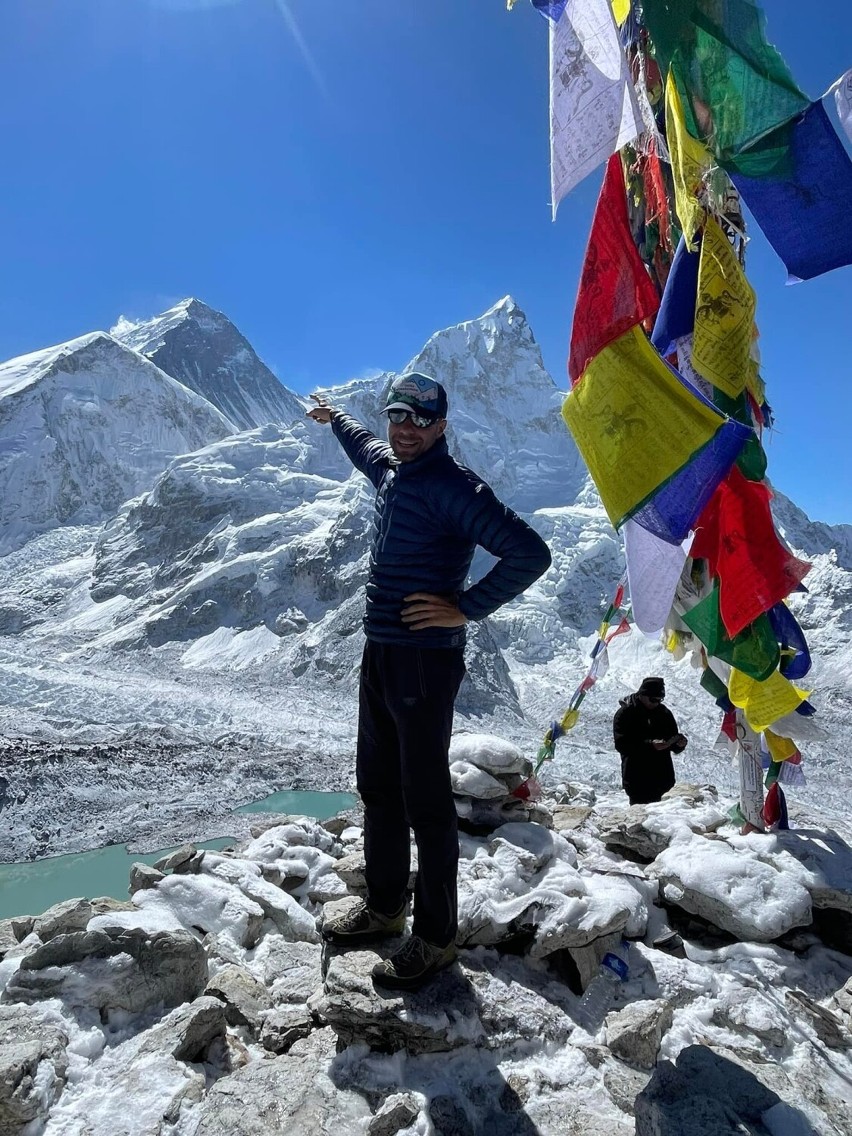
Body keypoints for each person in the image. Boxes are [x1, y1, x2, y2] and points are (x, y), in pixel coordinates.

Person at [307, 372, 551, 990]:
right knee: (379, 787)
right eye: (397, 418)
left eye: (418, 421)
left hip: (424, 660)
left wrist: (465, 607)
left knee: (425, 799)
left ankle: (437, 937)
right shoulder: (393, 466)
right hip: (382, 651)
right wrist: (334, 417)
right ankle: (386, 908)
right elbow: (364, 444)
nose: (404, 430)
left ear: (441, 425)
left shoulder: (454, 486)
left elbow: (529, 553)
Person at [612, 677, 687, 806]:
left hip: (663, 780)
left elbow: (672, 739)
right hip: (638, 780)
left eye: (659, 700)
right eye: (653, 699)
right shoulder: (626, 713)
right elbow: (622, 744)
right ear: (642, 694)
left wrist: (678, 744)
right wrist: (650, 745)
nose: (656, 703)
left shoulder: (664, 713)